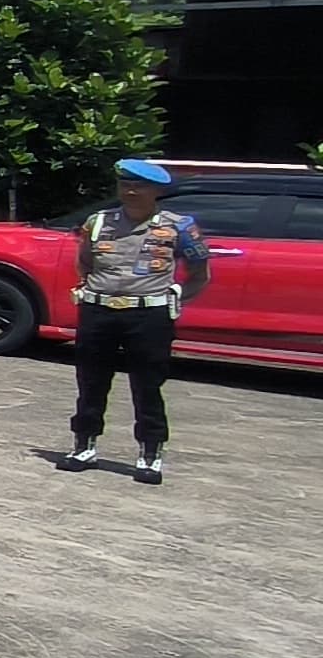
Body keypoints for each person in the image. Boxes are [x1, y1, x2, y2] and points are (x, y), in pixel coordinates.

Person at [64, 158, 208, 485]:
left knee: (147, 385)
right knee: (91, 381)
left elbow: (200, 273)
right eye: (125, 184)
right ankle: (84, 445)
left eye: (139, 186)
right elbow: (84, 262)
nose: (130, 191)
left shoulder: (178, 226)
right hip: (99, 311)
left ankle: (150, 453)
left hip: (149, 314)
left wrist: (174, 299)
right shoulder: (98, 222)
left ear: (156, 190)